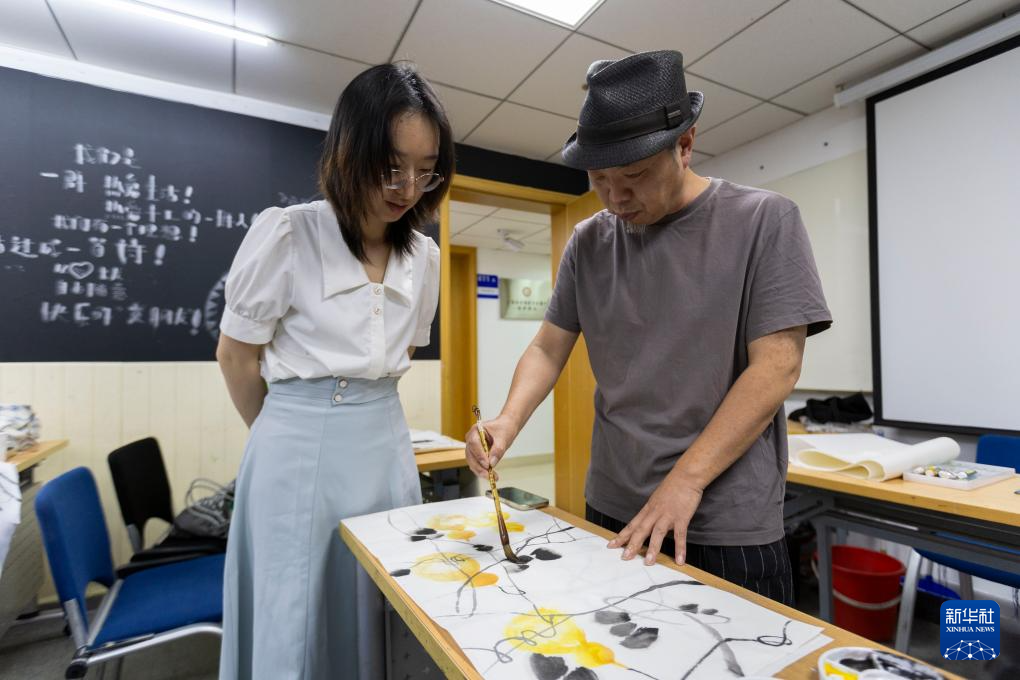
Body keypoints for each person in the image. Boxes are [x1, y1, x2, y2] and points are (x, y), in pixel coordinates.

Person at [465, 50, 831, 605]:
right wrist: (508, 420)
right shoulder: (589, 241)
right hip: (614, 500)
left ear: (685, 146)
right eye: (599, 180)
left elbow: (778, 367)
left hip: (720, 515)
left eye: (633, 176)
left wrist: (686, 480)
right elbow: (547, 347)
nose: (615, 198)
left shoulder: (764, 220)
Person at [216, 62, 454, 679]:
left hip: (385, 445)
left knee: (385, 600)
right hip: (295, 449)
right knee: (298, 613)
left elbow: (400, 357)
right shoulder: (289, 233)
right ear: (350, 151)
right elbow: (236, 356)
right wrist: (285, 429)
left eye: (425, 171)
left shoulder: (424, 257)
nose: (408, 187)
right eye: (391, 167)